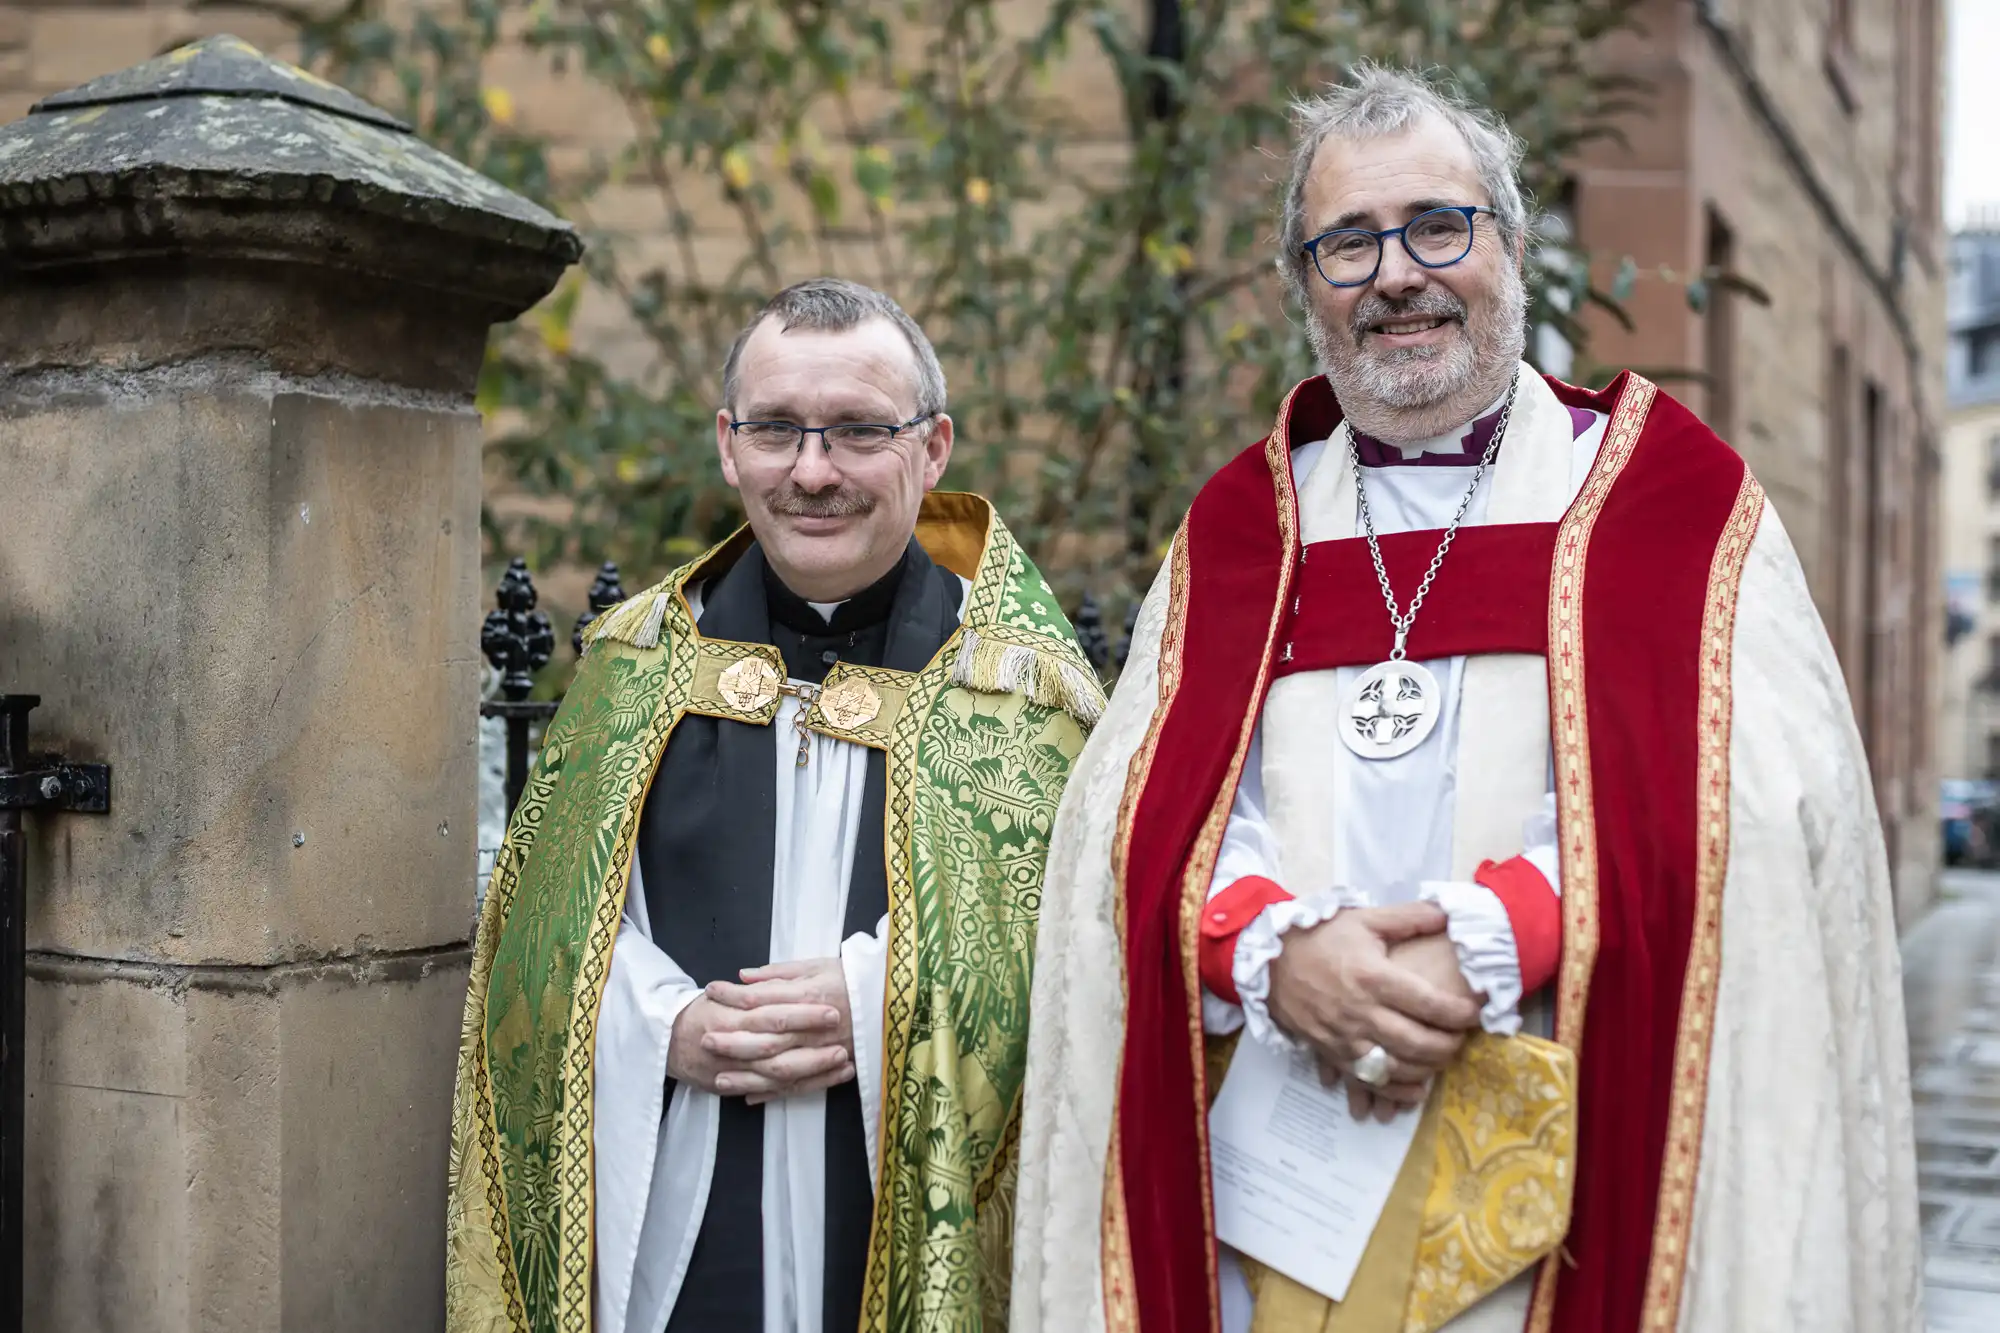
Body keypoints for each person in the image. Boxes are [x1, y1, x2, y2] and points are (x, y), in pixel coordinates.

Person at [1011, 64, 1921, 1333]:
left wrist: (1499, 933)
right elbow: (1135, 818)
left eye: (1439, 226)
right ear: (1303, 284)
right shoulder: (1239, 529)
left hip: (1567, 1141)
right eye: (1346, 244)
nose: (1396, 274)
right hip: (1279, 1168)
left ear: (1509, 244)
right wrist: (1271, 950)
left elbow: (1755, 810)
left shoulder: (1670, 507)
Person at [445, 278, 1104, 1333]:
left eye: (856, 432)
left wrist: (882, 997)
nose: (810, 471)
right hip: (680, 1200)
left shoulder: (1019, 691)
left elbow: (1080, 932)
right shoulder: (638, 666)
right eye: (777, 431)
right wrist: (663, 1025)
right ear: (726, 442)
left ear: (931, 450)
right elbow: (540, 937)